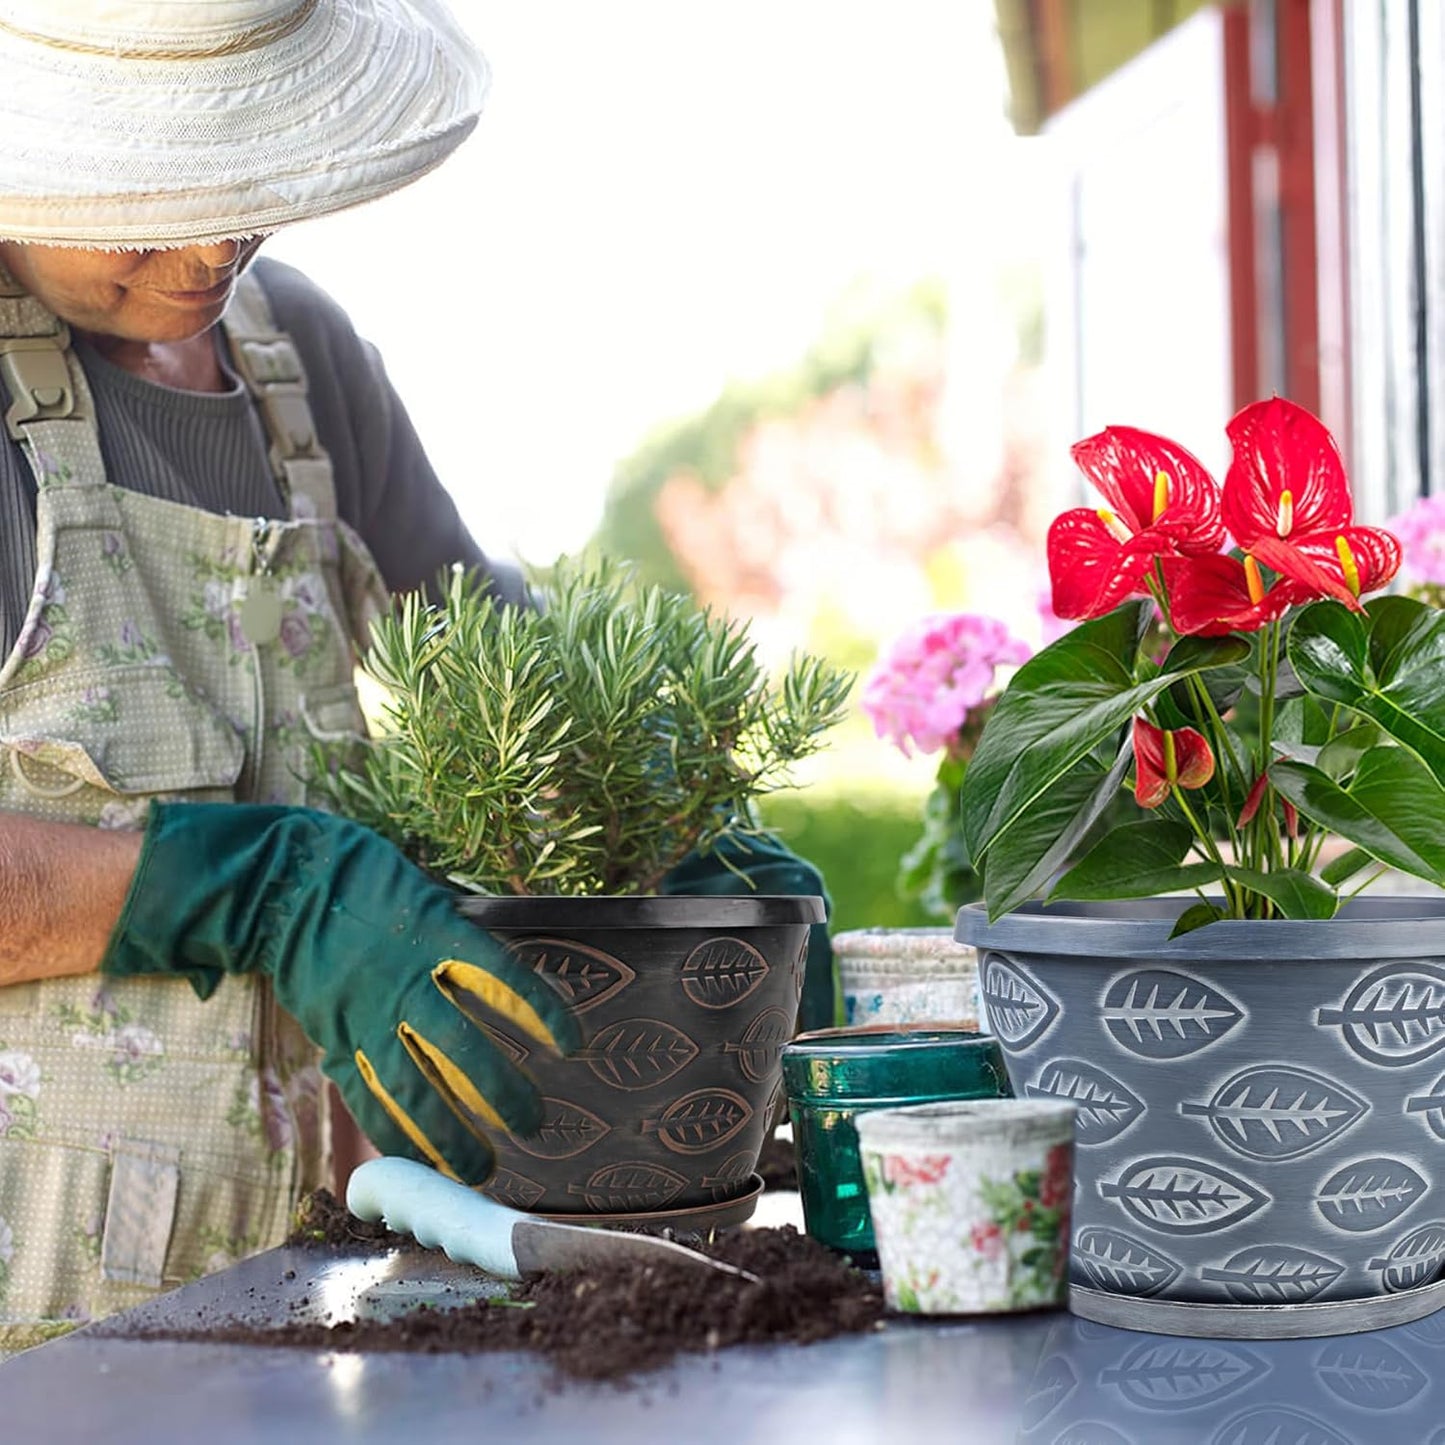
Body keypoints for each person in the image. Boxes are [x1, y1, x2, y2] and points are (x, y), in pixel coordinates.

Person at [0, 1, 832, 1356]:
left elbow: (493, 654)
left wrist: (671, 812)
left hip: (295, 1272)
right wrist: (251, 884)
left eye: (246, 179)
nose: (213, 248)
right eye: (151, 203)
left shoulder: (293, 355)